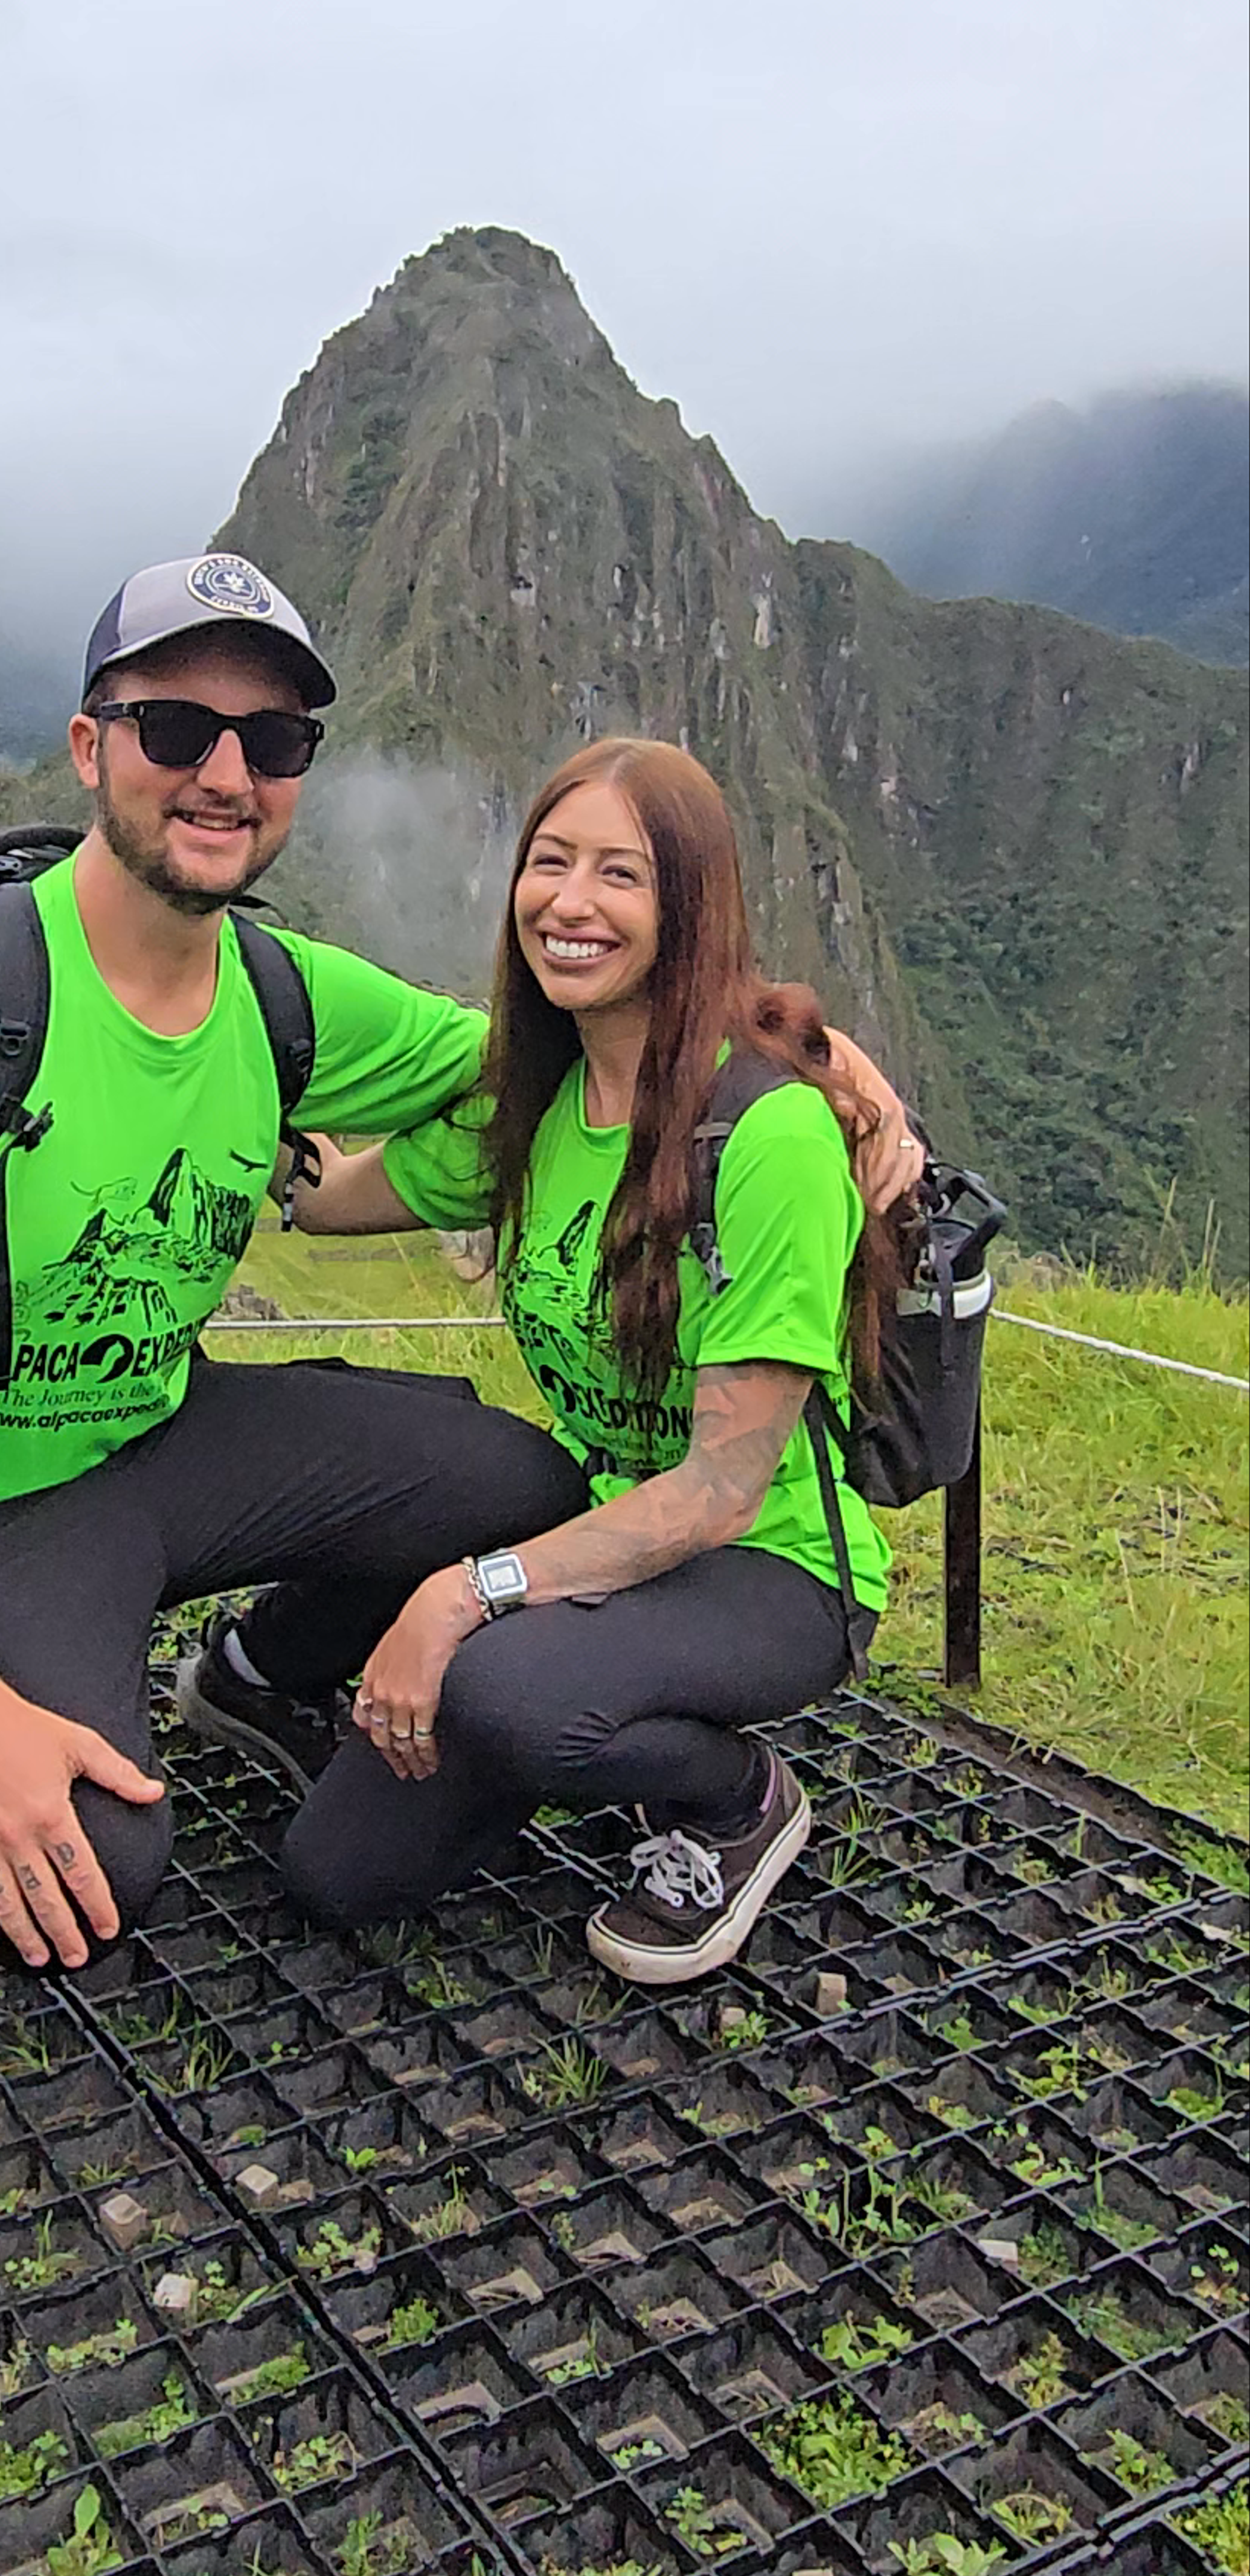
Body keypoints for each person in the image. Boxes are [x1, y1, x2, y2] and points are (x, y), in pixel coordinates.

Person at [0, 554, 587, 1974]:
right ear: (92, 748)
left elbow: (554, 1039)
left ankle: (256, 1678)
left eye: (273, 742)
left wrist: (812, 1063)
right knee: (89, 1875)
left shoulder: (281, 996)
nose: (226, 775)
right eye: (178, 729)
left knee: (523, 1494)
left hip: (157, 1439)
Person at [272, 737, 905, 1983]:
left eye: (622, 875)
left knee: (504, 1697)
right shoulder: (537, 1101)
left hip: (766, 1565)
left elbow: (721, 1491)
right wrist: (219, 1093)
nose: (571, 903)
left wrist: (466, 1595)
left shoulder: (765, 1135)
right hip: (593, 1535)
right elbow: (332, 1199)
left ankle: (734, 1799)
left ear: (691, 906)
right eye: (549, 863)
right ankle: (557, 1714)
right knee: (338, 1873)